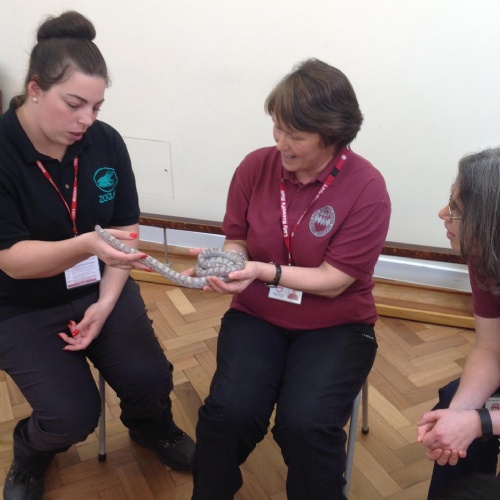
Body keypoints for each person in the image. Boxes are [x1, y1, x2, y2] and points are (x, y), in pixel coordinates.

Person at [0, 11, 194, 500]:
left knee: (150, 378)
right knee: (71, 416)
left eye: (97, 106)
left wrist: (105, 303)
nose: (86, 120)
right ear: (35, 89)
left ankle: (151, 428)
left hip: (98, 284)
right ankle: (32, 450)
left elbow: (126, 232)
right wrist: (88, 243)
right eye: (74, 104)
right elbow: (13, 260)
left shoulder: (104, 142)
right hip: (21, 303)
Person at [190, 59, 391, 500]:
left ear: (332, 135)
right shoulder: (255, 167)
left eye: (295, 135)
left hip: (337, 325)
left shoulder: (366, 187)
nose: (280, 143)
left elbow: (335, 280)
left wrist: (262, 271)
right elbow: (237, 239)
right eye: (277, 128)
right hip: (258, 314)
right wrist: (227, 265)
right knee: (228, 414)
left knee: (306, 425)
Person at [416, 148, 500, 499]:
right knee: (454, 405)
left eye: (455, 210)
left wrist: (481, 422)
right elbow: (490, 348)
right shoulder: (485, 256)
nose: (442, 214)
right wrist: (457, 418)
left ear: (489, 222)